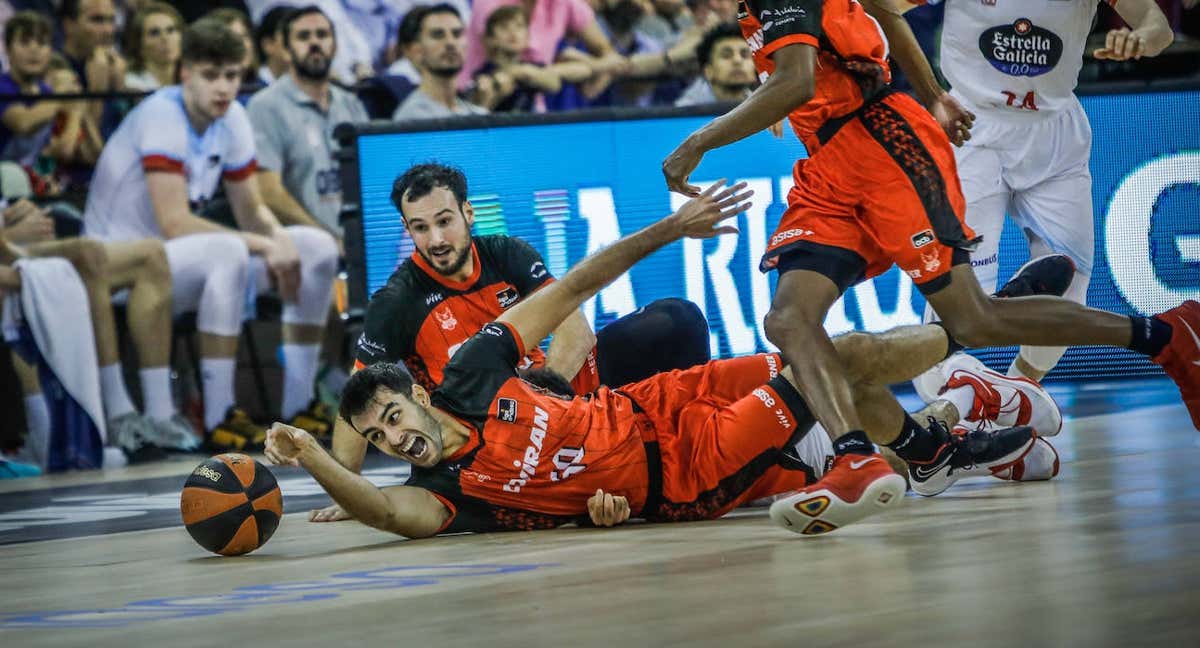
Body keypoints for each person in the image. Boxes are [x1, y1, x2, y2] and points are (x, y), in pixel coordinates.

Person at [658, 0, 1200, 524]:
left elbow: (797, 82)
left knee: (974, 320)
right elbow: (876, 10)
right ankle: (863, 459)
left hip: (885, 143)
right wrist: (935, 93)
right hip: (831, 162)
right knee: (789, 320)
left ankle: (1167, 336)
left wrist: (700, 140)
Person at [266, 181, 1042, 538]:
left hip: (647, 402)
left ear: (421, 395)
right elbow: (385, 512)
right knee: (823, 367)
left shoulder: (471, 365)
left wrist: (672, 229)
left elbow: (576, 290)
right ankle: (942, 403)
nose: (398, 439)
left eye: (395, 419)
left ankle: (934, 424)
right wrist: (319, 463)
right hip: (679, 469)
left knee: (821, 351)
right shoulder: (446, 496)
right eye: (383, 440)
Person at [312, 162, 713, 522]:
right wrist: (347, 487)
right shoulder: (397, 302)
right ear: (407, 229)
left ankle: (703, 432)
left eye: (444, 221)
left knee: (675, 319)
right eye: (420, 227)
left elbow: (575, 327)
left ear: (469, 213)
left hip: (560, 392)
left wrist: (552, 394)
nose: (435, 238)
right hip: (494, 436)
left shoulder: (508, 254)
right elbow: (358, 399)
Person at [81, 18, 339, 451]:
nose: (223, 87)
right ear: (185, 73)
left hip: (177, 264)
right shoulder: (162, 114)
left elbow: (250, 207)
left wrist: (279, 237)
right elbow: (175, 223)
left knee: (316, 248)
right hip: (120, 270)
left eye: (232, 75)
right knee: (227, 251)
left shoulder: (234, 115)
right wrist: (265, 244)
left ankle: (299, 405)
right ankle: (220, 417)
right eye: (211, 75)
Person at [907, 0, 1174, 388]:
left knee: (1069, 283)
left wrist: (1139, 40)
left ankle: (1021, 391)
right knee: (959, 306)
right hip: (970, 128)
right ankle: (947, 415)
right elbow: (881, 8)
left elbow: (1158, 26)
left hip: (1056, 133)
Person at [247, 5, 369, 240]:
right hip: (303, 247)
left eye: (322, 35)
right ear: (285, 50)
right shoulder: (265, 106)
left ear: (335, 45)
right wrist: (329, 241)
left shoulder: (351, 104)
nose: (314, 43)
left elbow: (373, 179)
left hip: (360, 243)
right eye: (304, 36)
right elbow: (268, 193)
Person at [392, 4, 488, 121]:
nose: (451, 42)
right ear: (415, 51)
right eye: (438, 35)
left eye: (457, 34)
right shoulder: (411, 117)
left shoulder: (478, 113)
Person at [674, 22, 756, 107]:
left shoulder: (763, 108)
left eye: (745, 55)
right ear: (708, 71)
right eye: (726, 55)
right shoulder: (684, 112)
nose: (737, 60)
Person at [122, 2, 184, 91]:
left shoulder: (191, 81)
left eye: (171, 30)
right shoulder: (131, 84)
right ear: (139, 44)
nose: (165, 38)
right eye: (154, 33)